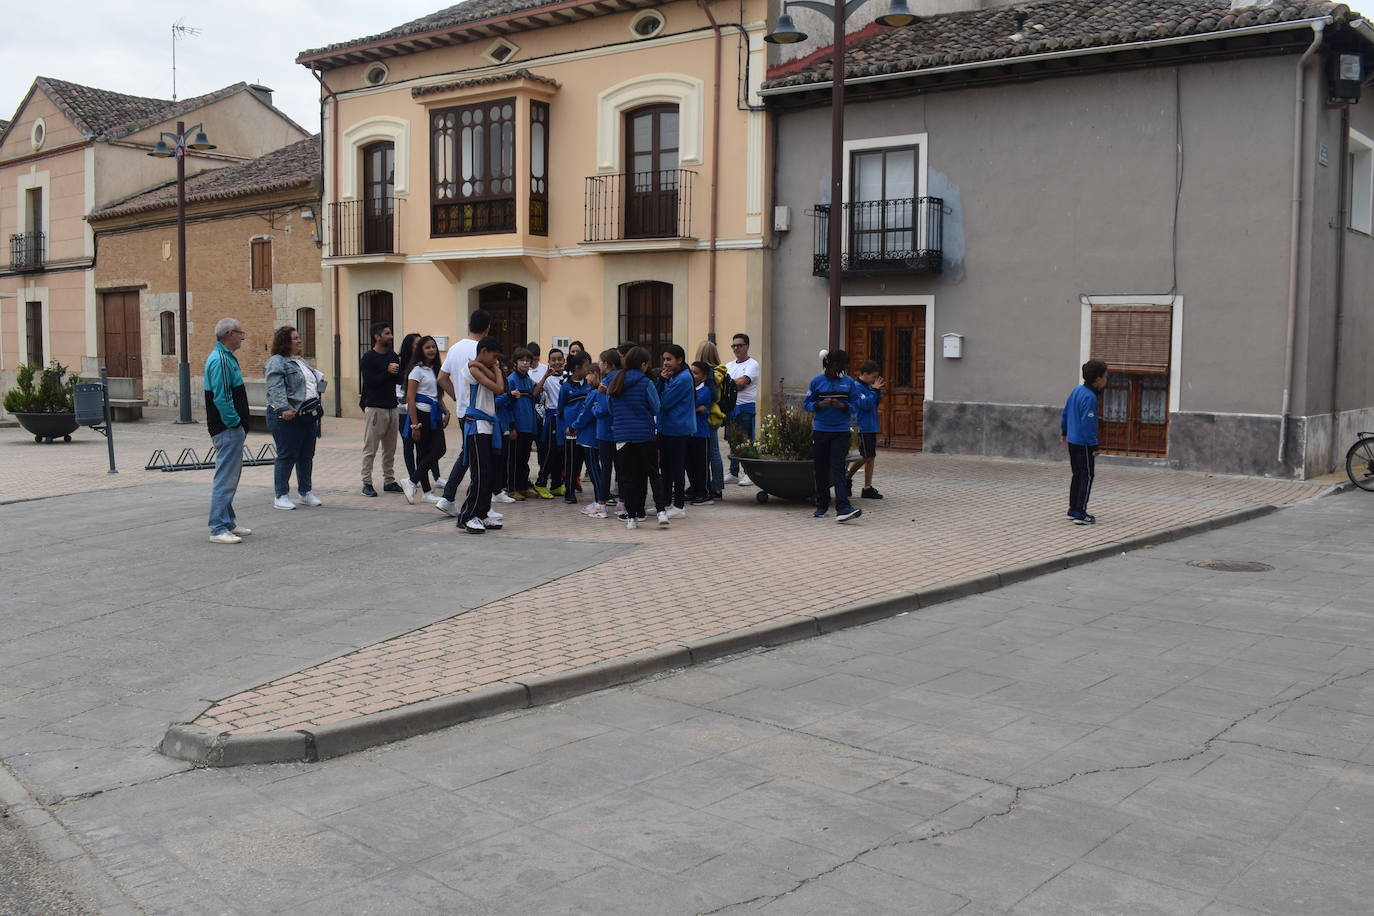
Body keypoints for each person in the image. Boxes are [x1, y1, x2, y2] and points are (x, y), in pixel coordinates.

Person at [435, 310, 492, 517]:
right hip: (479, 412)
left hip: (463, 411)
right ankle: (462, 502)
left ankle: (452, 497)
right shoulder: (482, 349)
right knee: (474, 458)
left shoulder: (455, 348)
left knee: (468, 454)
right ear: (487, 328)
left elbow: (442, 378)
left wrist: (457, 397)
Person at [264, 325, 326, 511]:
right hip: (287, 416)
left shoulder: (300, 361)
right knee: (287, 454)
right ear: (285, 342)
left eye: (299, 338)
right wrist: (284, 408)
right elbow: (275, 387)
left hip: (307, 415)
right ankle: (281, 495)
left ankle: (305, 492)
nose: (299, 341)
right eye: (295, 338)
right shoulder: (277, 361)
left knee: (307, 454)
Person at [204, 318, 252, 544]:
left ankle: (228, 521)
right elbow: (222, 397)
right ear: (230, 334)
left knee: (230, 476)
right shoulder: (221, 360)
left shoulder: (225, 358)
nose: (242, 337)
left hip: (229, 427)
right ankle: (217, 528)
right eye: (240, 333)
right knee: (226, 477)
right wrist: (234, 423)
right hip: (226, 428)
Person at [608, 346, 666, 529]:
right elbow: (656, 407)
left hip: (622, 437)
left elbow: (610, 408)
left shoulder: (616, 380)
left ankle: (631, 518)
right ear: (643, 365)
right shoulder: (646, 383)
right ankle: (661, 511)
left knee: (628, 478)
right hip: (645, 435)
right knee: (654, 474)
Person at [804, 349, 862, 523]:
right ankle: (822, 504)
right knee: (821, 469)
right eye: (840, 364)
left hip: (841, 431)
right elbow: (806, 404)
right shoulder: (816, 382)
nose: (843, 367)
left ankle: (843, 507)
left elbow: (856, 404)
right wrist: (820, 404)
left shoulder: (848, 382)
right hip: (821, 430)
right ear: (830, 364)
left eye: (844, 364)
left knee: (838, 468)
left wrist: (842, 406)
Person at [456, 336, 506, 534]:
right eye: (493, 356)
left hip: (488, 426)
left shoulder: (479, 366)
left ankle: (483, 513)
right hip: (476, 427)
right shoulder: (471, 369)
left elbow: (498, 382)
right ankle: (468, 515)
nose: (495, 361)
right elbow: (499, 387)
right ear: (483, 351)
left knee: (491, 473)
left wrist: (492, 368)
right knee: (480, 473)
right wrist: (495, 369)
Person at [401, 336, 450, 504]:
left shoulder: (435, 369)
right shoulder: (416, 370)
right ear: (421, 350)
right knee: (425, 452)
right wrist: (415, 425)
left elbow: (436, 395)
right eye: (427, 347)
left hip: (434, 414)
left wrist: (446, 411)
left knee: (438, 449)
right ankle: (421, 487)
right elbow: (410, 398)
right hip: (421, 415)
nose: (432, 350)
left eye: (434, 347)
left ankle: (415, 483)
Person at [1062, 359, 1109, 525]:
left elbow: (1066, 411)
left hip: (1072, 440)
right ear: (1097, 379)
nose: (1106, 380)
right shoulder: (1090, 397)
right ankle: (1080, 512)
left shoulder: (1077, 390)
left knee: (1077, 474)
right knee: (1087, 476)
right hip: (1084, 443)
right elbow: (1088, 423)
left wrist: (1064, 432)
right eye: (1105, 376)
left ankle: (1073, 508)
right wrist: (1094, 445)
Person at [359, 321, 402, 497]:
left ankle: (389, 481)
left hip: (393, 407)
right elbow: (370, 382)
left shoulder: (392, 355)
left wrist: (396, 372)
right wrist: (387, 371)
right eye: (387, 333)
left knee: (390, 449)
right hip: (376, 408)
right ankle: (366, 482)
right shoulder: (368, 357)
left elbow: (399, 380)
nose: (390, 336)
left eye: (390, 333)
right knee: (371, 448)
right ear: (378, 337)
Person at [657, 344, 694, 518]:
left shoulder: (683, 379)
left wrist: (662, 382)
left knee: (676, 467)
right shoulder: (674, 376)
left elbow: (663, 402)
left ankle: (679, 506)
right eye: (664, 359)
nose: (665, 363)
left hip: (677, 429)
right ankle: (665, 503)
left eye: (669, 359)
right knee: (666, 467)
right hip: (667, 427)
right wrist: (662, 380)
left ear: (680, 360)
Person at [501, 348, 539, 499]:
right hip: (517, 425)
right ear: (515, 363)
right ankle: (511, 488)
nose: (525, 363)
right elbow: (507, 405)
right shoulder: (511, 380)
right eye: (522, 360)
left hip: (528, 425)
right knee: (513, 459)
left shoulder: (528, 380)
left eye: (528, 360)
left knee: (524, 458)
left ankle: (523, 487)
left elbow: (534, 398)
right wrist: (511, 426)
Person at [846, 360, 887, 500]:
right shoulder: (856, 387)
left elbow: (874, 403)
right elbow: (865, 405)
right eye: (873, 377)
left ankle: (867, 487)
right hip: (861, 426)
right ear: (864, 374)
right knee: (865, 456)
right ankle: (847, 478)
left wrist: (877, 391)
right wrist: (874, 390)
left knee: (871, 457)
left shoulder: (870, 387)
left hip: (871, 425)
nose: (875, 380)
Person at [574, 363, 609, 517]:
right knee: (597, 469)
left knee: (594, 470)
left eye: (588, 374)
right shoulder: (595, 392)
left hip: (590, 437)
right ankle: (600, 500)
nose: (586, 378)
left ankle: (599, 501)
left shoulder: (595, 393)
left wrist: (574, 425)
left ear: (595, 373)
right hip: (592, 436)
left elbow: (586, 414)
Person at [725, 332, 760, 486]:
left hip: (745, 407)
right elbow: (728, 385)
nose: (736, 348)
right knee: (733, 441)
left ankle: (749, 473)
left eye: (739, 345)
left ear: (747, 346)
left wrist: (730, 384)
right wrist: (732, 384)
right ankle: (733, 472)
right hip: (732, 407)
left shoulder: (753, 364)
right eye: (734, 345)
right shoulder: (729, 365)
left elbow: (742, 383)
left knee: (746, 440)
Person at [556, 353, 591, 504]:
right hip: (571, 431)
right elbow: (560, 410)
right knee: (571, 462)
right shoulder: (565, 387)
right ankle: (569, 492)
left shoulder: (590, 386)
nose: (589, 370)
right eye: (587, 366)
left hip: (587, 430)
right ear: (577, 368)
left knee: (587, 461)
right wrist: (562, 430)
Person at [695, 340, 727, 501]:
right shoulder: (720, 371)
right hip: (716, 415)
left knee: (710, 452)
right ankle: (716, 486)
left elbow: (712, 396)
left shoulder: (708, 373)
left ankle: (713, 487)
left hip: (708, 416)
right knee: (713, 452)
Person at [532, 347, 566, 498]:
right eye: (553, 360)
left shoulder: (568, 376)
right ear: (549, 362)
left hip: (565, 418)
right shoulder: (548, 378)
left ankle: (557, 485)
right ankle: (541, 483)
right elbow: (536, 392)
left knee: (561, 452)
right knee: (550, 452)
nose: (557, 362)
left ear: (564, 361)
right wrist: (545, 376)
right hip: (552, 418)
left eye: (560, 359)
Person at [395, 333, 426, 490]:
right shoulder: (400, 364)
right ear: (409, 346)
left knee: (423, 444)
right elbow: (398, 391)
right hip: (403, 411)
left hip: (418, 409)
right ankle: (413, 476)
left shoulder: (421, 364)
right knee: (408, 444)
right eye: (416, 344)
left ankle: (421, 476)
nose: (419, 347)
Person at [595, 348, 623, 508]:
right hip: (619, 429)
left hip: (605, 430)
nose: (599, 364)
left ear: (606, 364)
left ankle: (601, 503)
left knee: (606, 468)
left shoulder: (606, 382)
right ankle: (622, 503)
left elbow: (602, 409)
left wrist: (594, 409)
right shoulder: (622, 377)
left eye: (600, 361)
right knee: (621, 468)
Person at [685, 360, 714, 505]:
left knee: (701, 465)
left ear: (703, 377)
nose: (692, 375)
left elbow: (689, 404)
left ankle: (705, 493)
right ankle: (694, 488)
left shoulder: (705, 391)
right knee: (689, 464)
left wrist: (695, 408)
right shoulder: (690, 389)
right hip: (689, 433)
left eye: (695, 373)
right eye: (691, 372)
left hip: (701, 434)